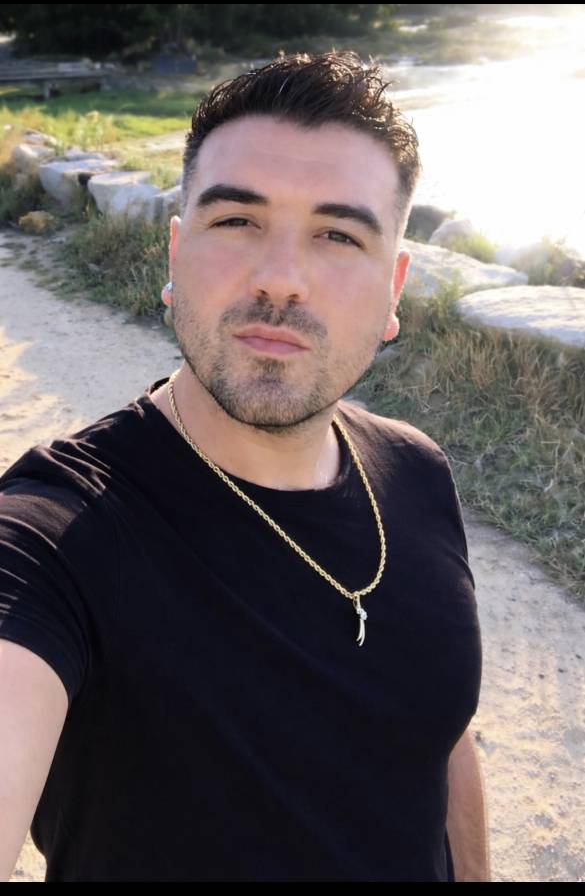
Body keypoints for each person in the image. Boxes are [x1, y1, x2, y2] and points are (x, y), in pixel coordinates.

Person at [0, 50, 489, 882]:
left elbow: (439, 732)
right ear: (174, 256)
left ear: (394, 290)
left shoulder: (416, 472)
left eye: (338, 235)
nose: (281, 281)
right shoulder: (55, 538)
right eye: (236, 221)